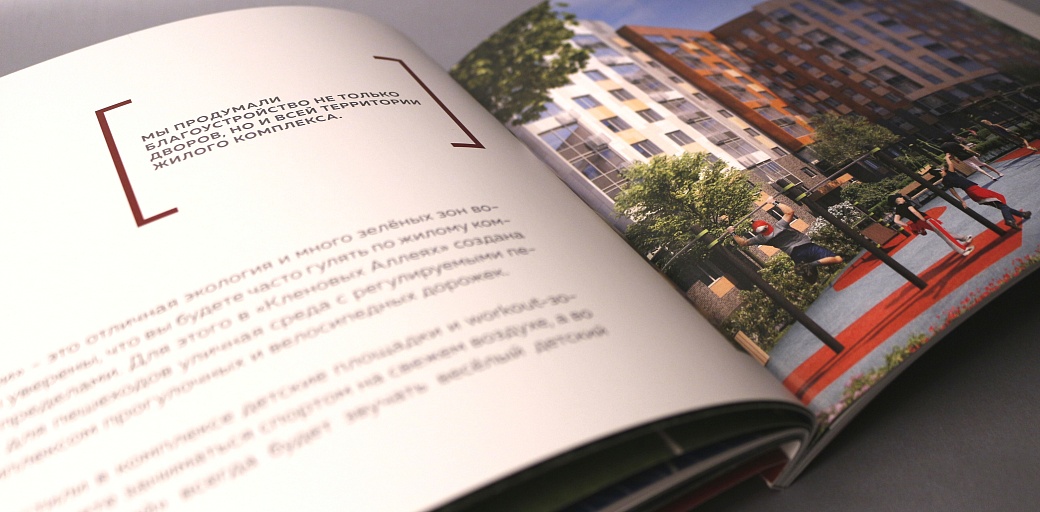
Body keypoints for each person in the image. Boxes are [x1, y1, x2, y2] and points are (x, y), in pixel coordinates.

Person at [727, 197, 843, 283]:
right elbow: (790, 212)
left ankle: (813, 273)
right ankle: (812, 264)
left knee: (811, 279)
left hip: (795, 254)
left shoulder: (761, 239)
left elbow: (743, 243)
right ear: (767, 225)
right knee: (838, 259)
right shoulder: (780, 226)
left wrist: (732, 232)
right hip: (807, 246)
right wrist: (774, 202)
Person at [940, 154, 1031, 229]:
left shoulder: (945, 181)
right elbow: (950, 165)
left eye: (940, 170)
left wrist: (962, 201)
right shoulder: (950, 175)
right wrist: (947, 157)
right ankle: (1009, 220)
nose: (940, 171)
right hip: (975, 190)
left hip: (971, 193)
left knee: (999, 204)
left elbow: (954, 192)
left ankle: (1022, 214)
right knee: (1000, 201)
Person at [888, 194, 974, 257]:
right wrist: (922, 218)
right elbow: (914, 211)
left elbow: (896, 220)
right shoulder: (906, 204)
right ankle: (962, 250)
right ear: (897, 200)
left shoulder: (898, 210)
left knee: (942, 232)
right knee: (944, 234)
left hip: (918, 223)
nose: (902, 197)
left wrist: (906, 224)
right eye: (900, 197)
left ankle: (963, 238)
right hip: (925, 219)